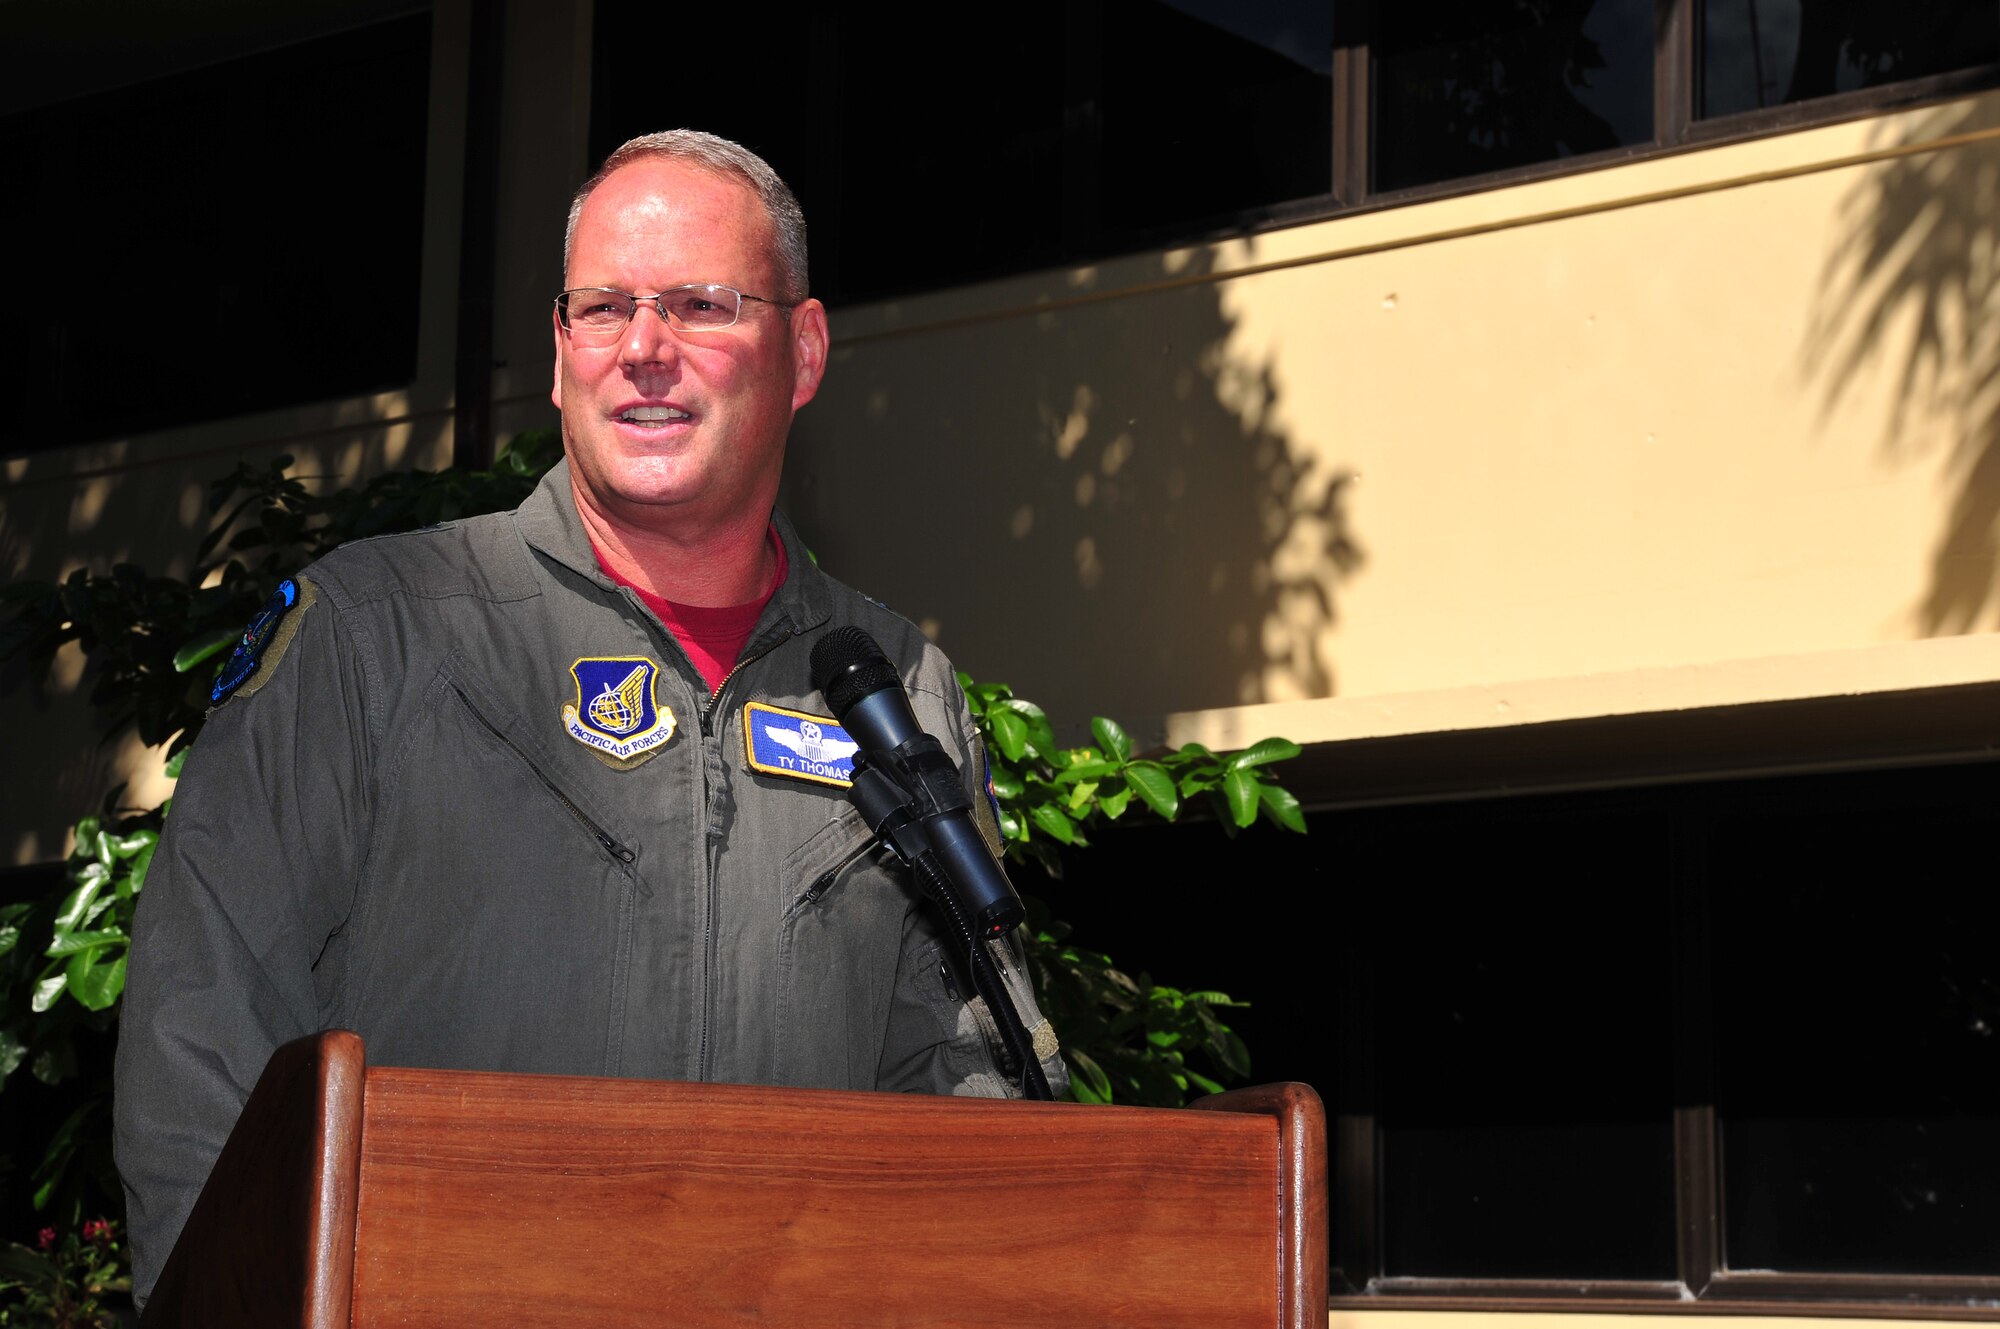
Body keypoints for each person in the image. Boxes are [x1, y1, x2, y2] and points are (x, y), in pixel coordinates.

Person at [113, 130, 1065, 1306]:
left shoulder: (891, 686)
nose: (644, 351)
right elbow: (200, 1044)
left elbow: (968, 1090)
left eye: (701, 305)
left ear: (803, 350)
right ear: (561, 355)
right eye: (602, 308)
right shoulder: (379, 631)